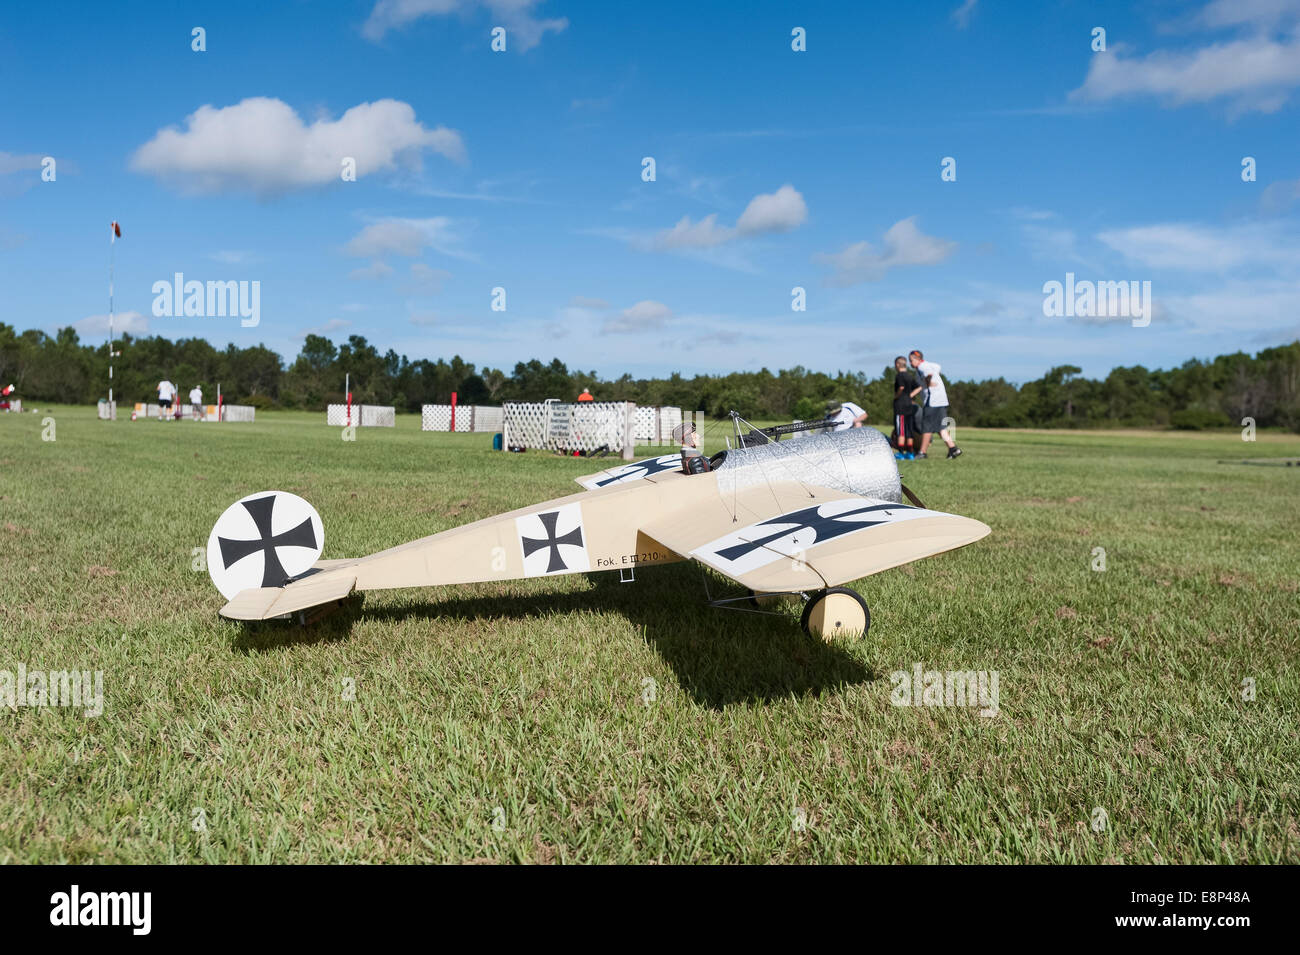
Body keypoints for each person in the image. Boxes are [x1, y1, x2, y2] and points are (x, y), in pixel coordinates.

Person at [908, 350, 962, 459]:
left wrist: (928, 382)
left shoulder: (922, 367)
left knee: (926, 427)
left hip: (932, 400)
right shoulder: (928, 365)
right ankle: (953, 449)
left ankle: (922, 453)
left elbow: (928, 375)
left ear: (917, 359)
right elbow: (938, 367)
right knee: (940, 427)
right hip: (941, 400)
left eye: (911, 360)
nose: (910, 363)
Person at [890, 356, 918, 459]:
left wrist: (897, 396)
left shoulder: (899, 376)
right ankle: (910, 454)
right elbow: (919, 387)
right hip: (909, 405)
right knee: (909, 430)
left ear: (897, 364)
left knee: (900, 430)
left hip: (900, 406)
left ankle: (901, 453)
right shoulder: (910, 376)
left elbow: (901, 387)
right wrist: (910, 395)